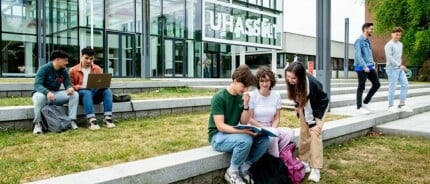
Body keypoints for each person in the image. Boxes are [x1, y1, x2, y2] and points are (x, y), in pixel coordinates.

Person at [208, 64, 270, 184]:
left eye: (248, 87)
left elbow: (243, 122)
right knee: (245, 140)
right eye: (244, 86)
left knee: (264, 140)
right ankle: (232, 171)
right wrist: (243, 131)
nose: (246, 90)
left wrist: (246, 105)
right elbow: (220, 126)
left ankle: (244, 168)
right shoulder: (219, 97)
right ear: (235, 81)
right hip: (217, 136)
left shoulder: (240, 97)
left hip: (231, 134)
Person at [284, 62, 329, 183]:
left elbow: (309, 108)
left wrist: (313, 124)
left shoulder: (309, 84)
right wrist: (297, 106)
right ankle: (304, 162)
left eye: (293, 78)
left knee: (315, 134)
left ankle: (316, 167)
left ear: (301, 76)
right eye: (288, 77)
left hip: (319, 106)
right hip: (305, 104)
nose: (290, 80)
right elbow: (298, 97)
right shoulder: (293, 81)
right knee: (304, 133)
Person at [248, 66, 294, 157]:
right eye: (262, 81)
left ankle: (278, 154)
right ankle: (275, 159)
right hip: (257, 127)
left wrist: (272, 129)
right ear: (258, 82)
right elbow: (250, 119)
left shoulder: (276, 95)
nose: (265, 84)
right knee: (272, 136)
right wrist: (266, 129)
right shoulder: (252, 95)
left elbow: (277, 118)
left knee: (289, 133)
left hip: (271, 125)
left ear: (271, 81)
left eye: (267, 81)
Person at [32, 50, 79, 134]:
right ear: (57, 59)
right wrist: (47, 92)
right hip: (41, 94)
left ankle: (72, 121)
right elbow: (37, 85)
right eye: (65, 60)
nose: (67, 63)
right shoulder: (44, 69)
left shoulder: (64, 71)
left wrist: (70, 88)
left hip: (54, 96)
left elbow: (68, 84)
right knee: (40, 97)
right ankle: (37, 123)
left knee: (74, 94)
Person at [69, 47, 116, 130]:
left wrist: (102, 85)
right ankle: (91, 120)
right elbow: (69, 86)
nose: (89, 61)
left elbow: (101, 82)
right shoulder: (73, 70)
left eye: (91, 59)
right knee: (87, 92)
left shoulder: (97, 68)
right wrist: (82, 87)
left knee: (107, 90)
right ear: (81, 57)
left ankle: (107, 118)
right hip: (82, 96)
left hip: (95, 93)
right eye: (86, 58)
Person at [354, 22, 381, 114]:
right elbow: (358, 55)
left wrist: (372, 65)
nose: (372, 31)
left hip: (370, 67)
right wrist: (364, 66)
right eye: (371, 29)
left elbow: (369, 55)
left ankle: (365, 101)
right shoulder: (359, 40)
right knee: (361, 87)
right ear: (366, 29)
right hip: (362, 68)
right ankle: (359, 107)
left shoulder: (367, 40)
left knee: (377, 84)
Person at [384, 27, 412, 112]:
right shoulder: (388, 45)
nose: (398, 36)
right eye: (397, 34)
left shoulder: (400, 44)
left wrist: (400, 66)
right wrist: (400, 65)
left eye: (400, 35)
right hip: (391, 69)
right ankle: (390, 106)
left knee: (405, 85)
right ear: (392, 34)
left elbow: (398, 57)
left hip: (399, 69)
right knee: (392, 87)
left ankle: (401, 104)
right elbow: (390, 58)